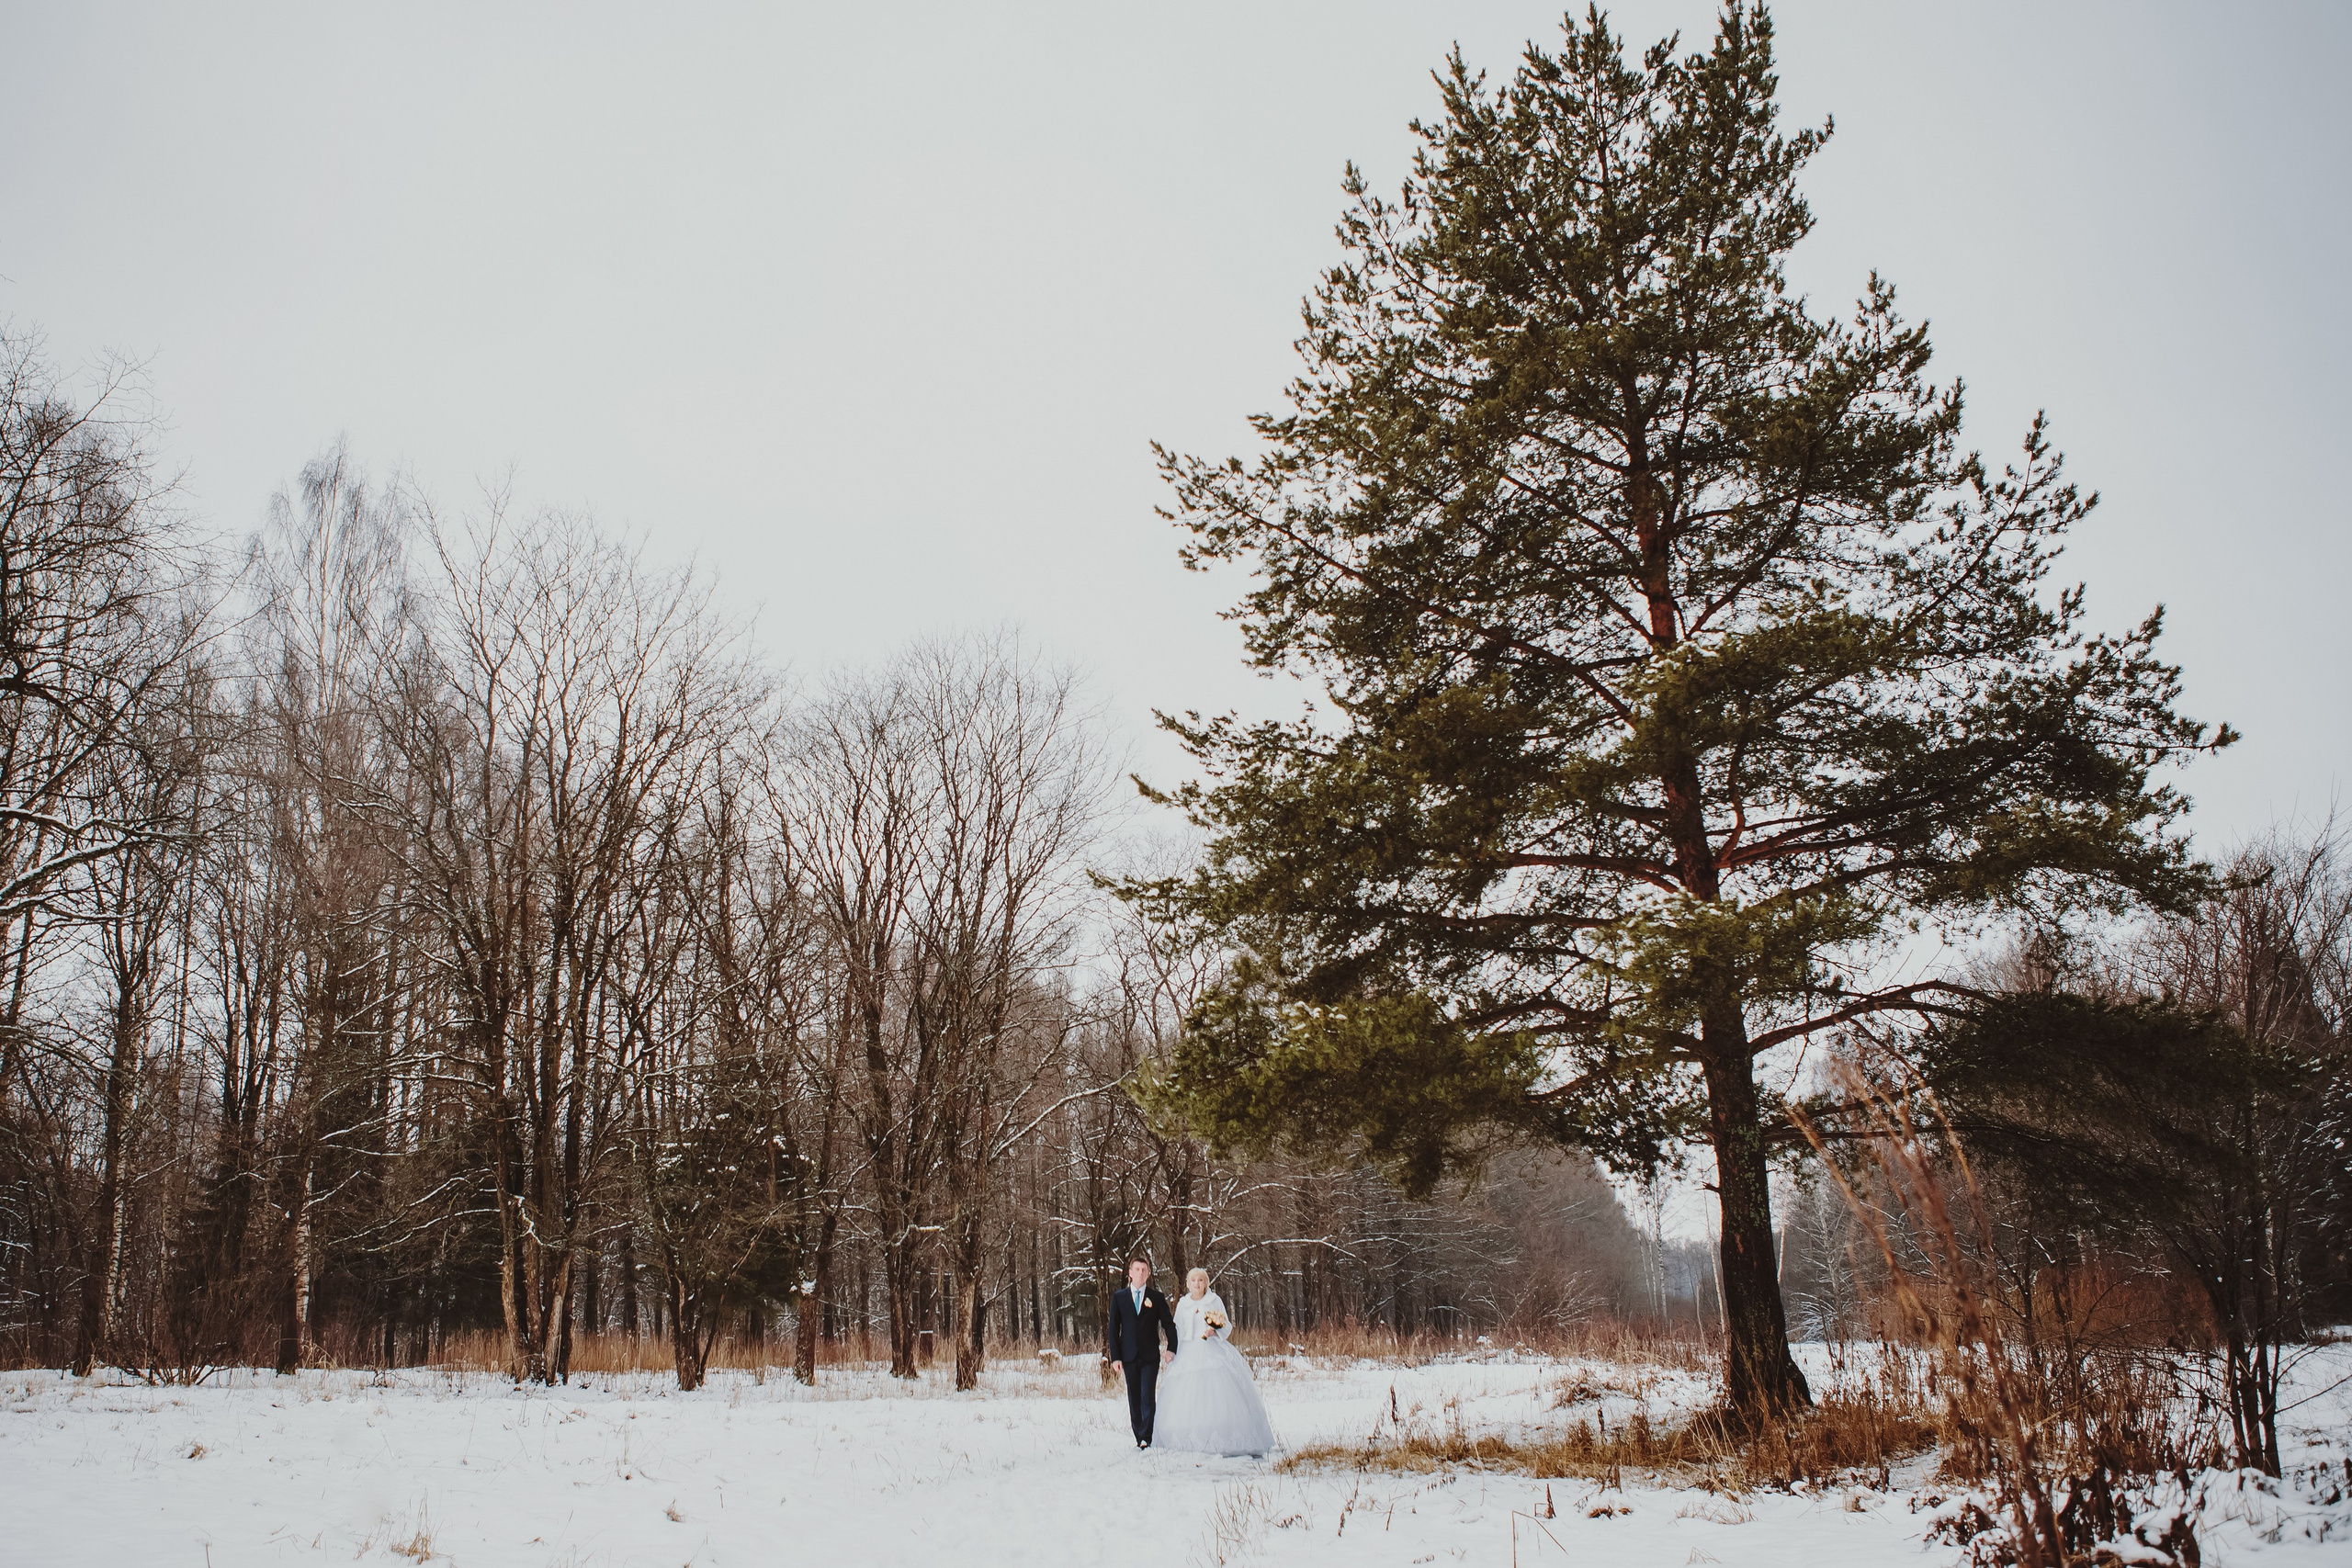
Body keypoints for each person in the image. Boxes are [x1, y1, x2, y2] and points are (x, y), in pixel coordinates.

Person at [1150, 1267, 1275, 1457]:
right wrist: (1172, 1350)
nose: (1197, 1284)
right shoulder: (1183, 1303)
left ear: (1206, 1283)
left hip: (1211, 1348)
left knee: (1218, 1391)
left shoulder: (1214, 1300)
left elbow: (1226, 1325)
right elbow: (1176, 1329)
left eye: (1200, 1280)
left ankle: (1223, 1436)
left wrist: (1215, 1331)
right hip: (1188, 1351)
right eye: (1193, 1280)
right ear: (1188, 1283)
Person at [1105, 1258, 1178, 1449]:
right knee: (1134, 1396)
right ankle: (1138, 1434)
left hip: (1149, 1356)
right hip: (1128, 1356)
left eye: (1144, 1270)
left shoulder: (1156, 1297)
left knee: (1147, 1395)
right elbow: (1113, 1328)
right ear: (1130, 1273)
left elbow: (1168, 1324)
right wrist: (1116, 1357)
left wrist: (1171, 1348)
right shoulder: (1119, 1297)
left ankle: (1147, 1436)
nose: (1140, 1272)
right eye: (1137, 1269)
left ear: (1148, 1274)